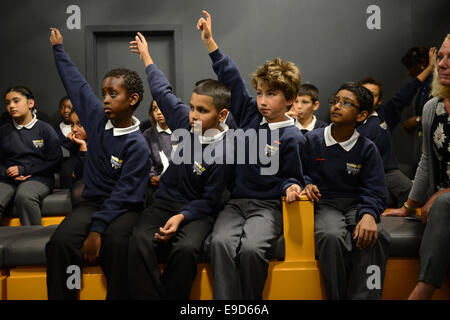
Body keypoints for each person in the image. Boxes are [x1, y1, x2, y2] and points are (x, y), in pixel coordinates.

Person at [198, 10, 305, 300]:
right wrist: (211, 43)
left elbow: (292, 175)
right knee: (218, 243)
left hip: (267, 207)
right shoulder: (248, 115)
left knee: (252, 249)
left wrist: (293, 186)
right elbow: (231, 78)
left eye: (271, 94)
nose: (262, 101)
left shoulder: (292, 136)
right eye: (259, 93)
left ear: (290, 99)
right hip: (235, 203)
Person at [45, 28, 150, 300]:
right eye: (104, 93)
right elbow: (76, 84)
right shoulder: (96, 119)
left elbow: (124, 194)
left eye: (113, 94)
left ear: (132, 100)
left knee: (116, 244)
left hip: (125, 207)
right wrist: (59, 51)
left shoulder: (137, 145)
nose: (105, 99)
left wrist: (97, 229)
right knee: (60, 243)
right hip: (93, 203)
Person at [127, 32, 232, 299]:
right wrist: (147, 57)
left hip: (197, 212)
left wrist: (182, 217)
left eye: (202, 110)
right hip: (163, 202)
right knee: (138, 242)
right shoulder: (186, 122)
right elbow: (162, 91)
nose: (193, 115)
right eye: (192, 107)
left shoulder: (226, 151)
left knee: (185, 251)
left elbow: (210, 200)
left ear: (221, 115)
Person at [302, 82, 390, 300]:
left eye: (346, 103)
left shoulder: (367, 148)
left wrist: (369, 214)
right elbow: (296, 173)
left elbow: (376, 190)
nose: (337, 106)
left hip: (356, 204)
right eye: (335, 101)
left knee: (376, 237)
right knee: (331, 235)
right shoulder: (311, 140)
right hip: (324, 205)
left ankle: (367, 296)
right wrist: (306, 183)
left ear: (361, 115)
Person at [383, 34, 450, 300]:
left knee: (444, 204)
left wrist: (443, 195)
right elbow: (426, 161)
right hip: (442, 206)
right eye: (441, 57)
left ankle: (422, 291)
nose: (442, 64)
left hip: (443, 202)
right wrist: (408, 206)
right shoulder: (433, 108)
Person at [0, 85, 62, 225]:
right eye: (8, 102)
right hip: (8, 178)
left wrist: (24, 170)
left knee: (24, 196)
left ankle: (32, 241)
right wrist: (7, 173)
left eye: (16, 101)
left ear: (30, 103)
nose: (11, 106)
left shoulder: (45, 129)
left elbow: (55, 162)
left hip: (39, 177)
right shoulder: (3, 132)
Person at [142, 100, 173, 205]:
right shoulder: (148, 134)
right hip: (158, 181)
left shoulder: (180, 130)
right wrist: (152, 176)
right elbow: (147, 161)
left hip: (177, 179)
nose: (159, 112)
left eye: (162, 108)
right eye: (155, 109)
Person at [66, 109, 87, 206]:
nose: (74, 129)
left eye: (80, 124)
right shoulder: (75, 144)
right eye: (72, 124)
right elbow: (79, 174)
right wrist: (83, 146)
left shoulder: (102, 141)